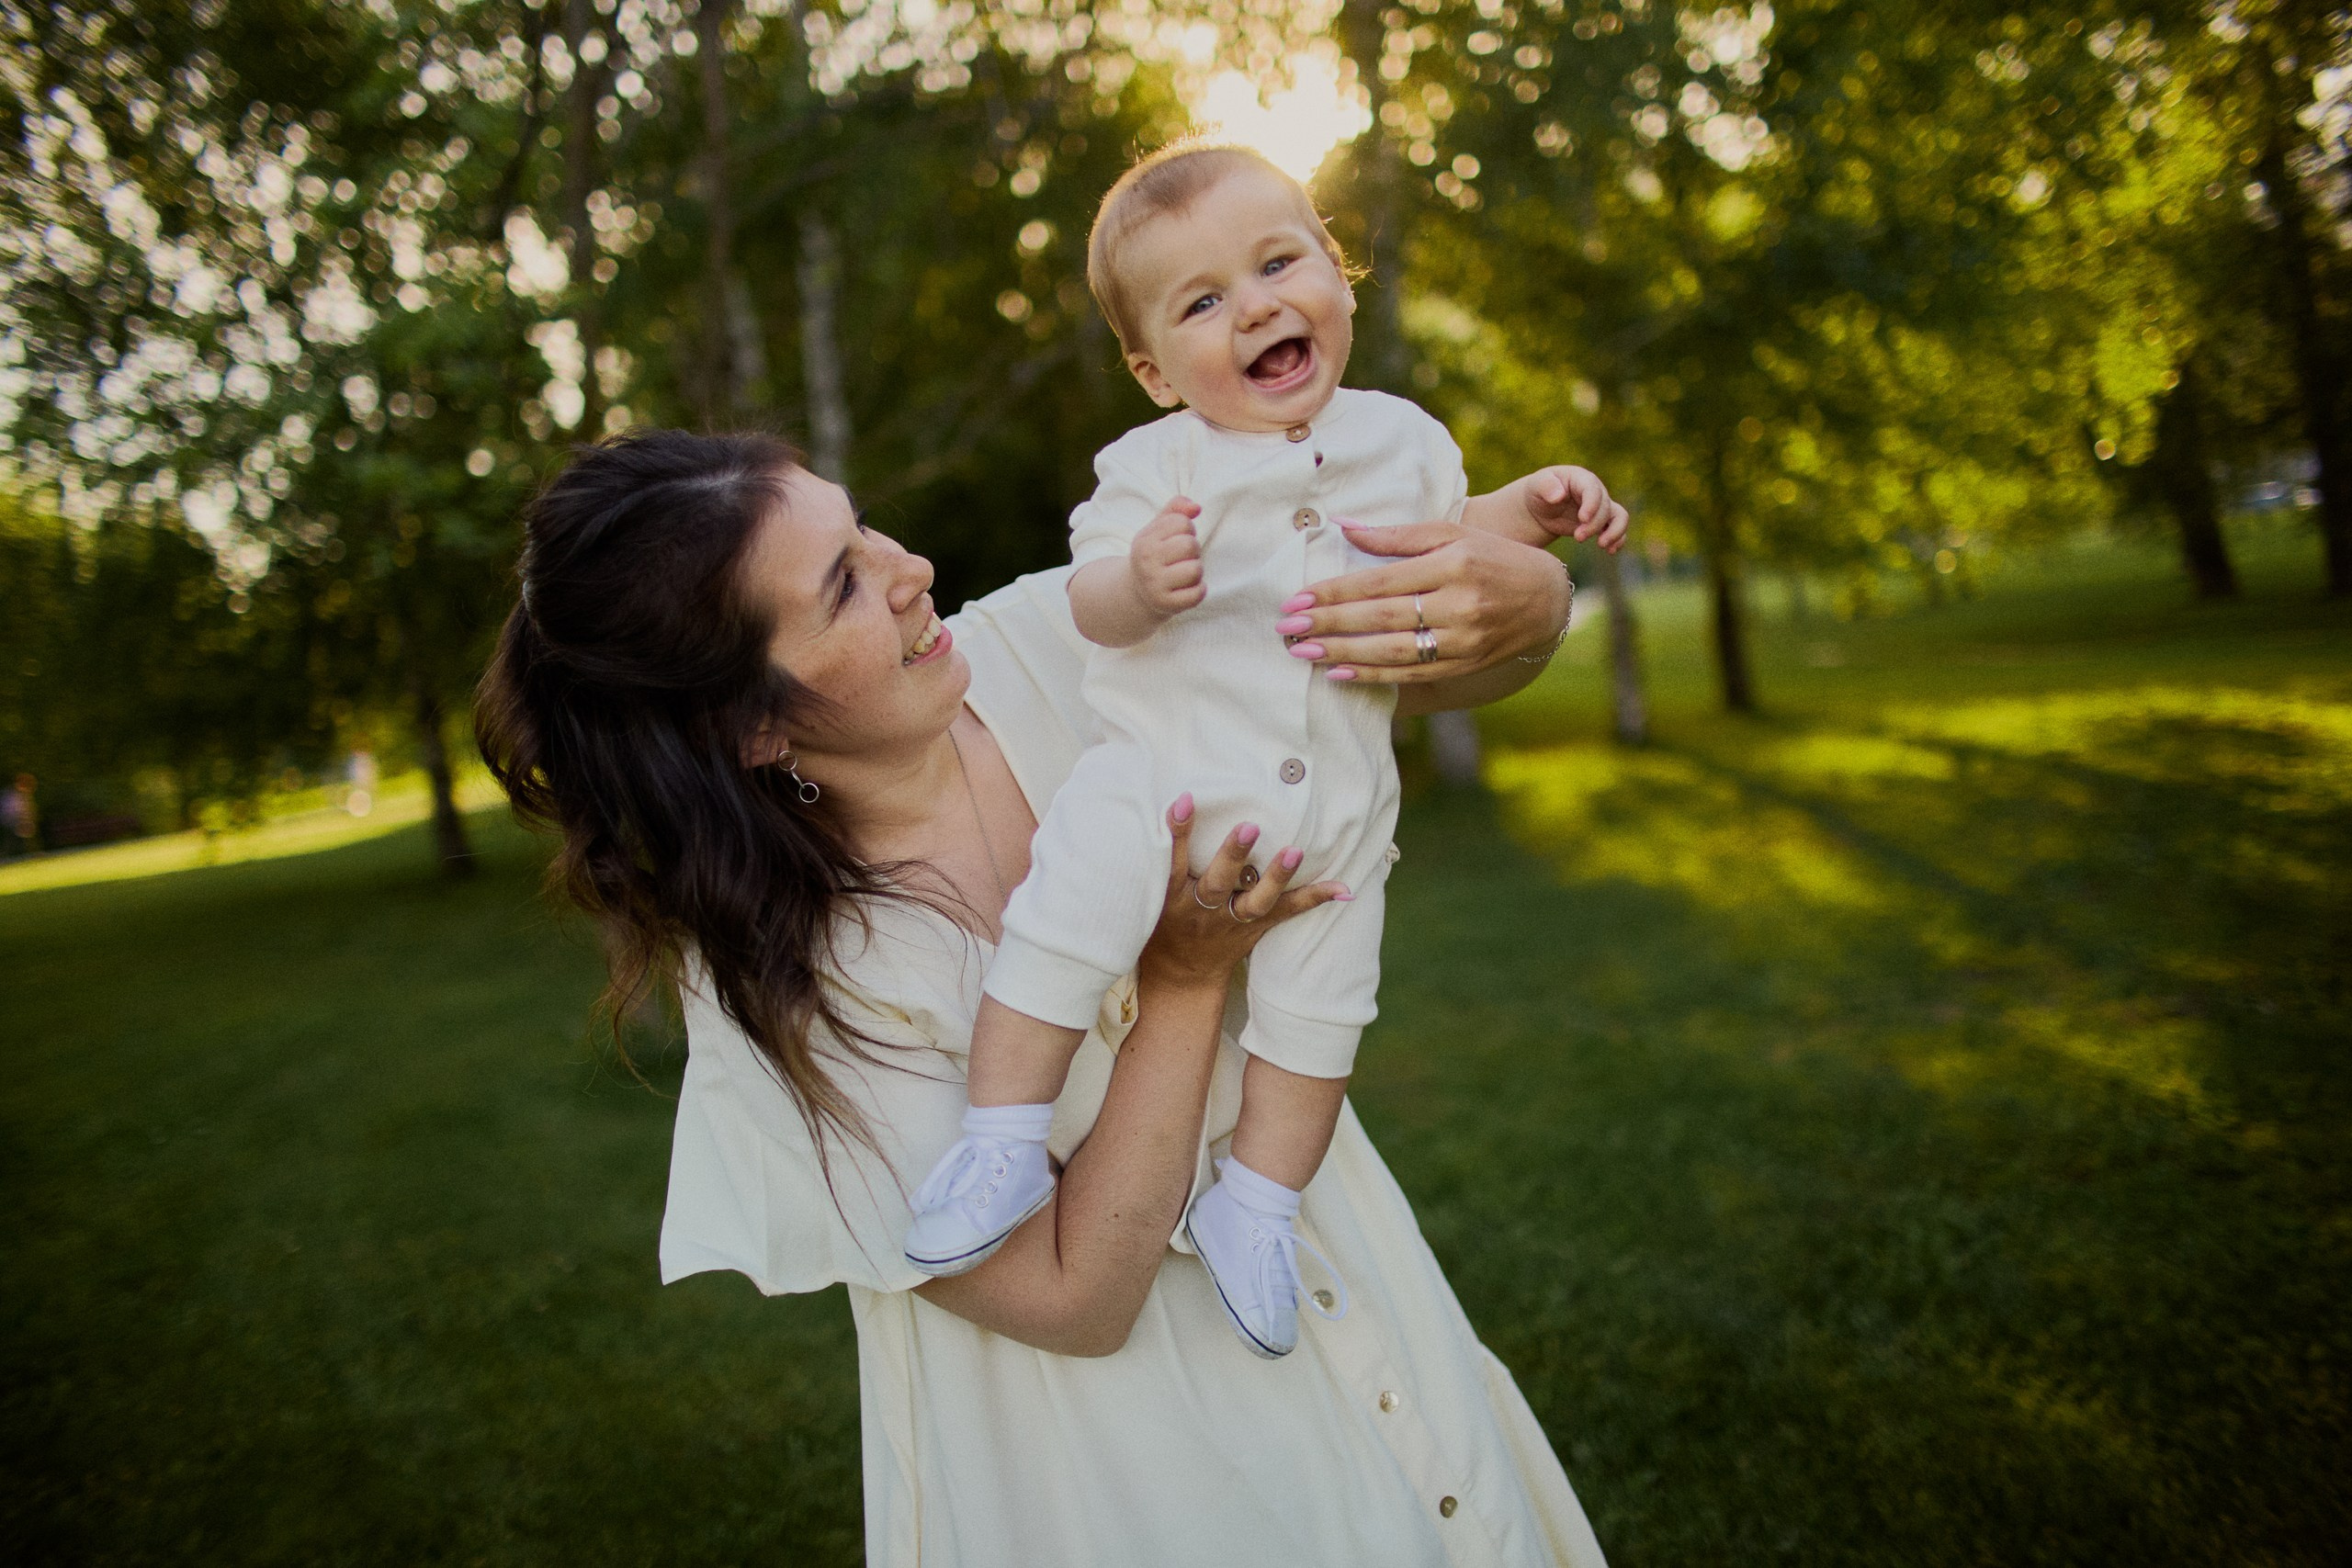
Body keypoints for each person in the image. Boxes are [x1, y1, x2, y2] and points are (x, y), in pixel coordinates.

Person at [475, 430, 1610, 1566]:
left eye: (861, 527)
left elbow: (1388, 663)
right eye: (844, 585)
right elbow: (1075, 1299)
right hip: (1126, 1472)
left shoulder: (1070, 642)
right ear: (755, 727)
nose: (908, 568)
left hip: (1358, 1306)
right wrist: (1182, 979)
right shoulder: (786, 987)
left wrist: (1529, 604)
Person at [901, 144, 1629, 1361]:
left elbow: (1440, 540)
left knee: (1321, 1015)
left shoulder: (1401, 437)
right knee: (1058, 934)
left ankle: (1257, 1208)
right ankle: (1002, 1137)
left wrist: (1532, 509)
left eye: (1278, 261)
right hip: (1160, 789)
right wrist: (1140, 582)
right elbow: (1090, 602)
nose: (1253, 305)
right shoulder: (1155, 468)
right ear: (1152, 370)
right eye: (1200, 301)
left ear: (1339, 275)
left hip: (1337, 808)